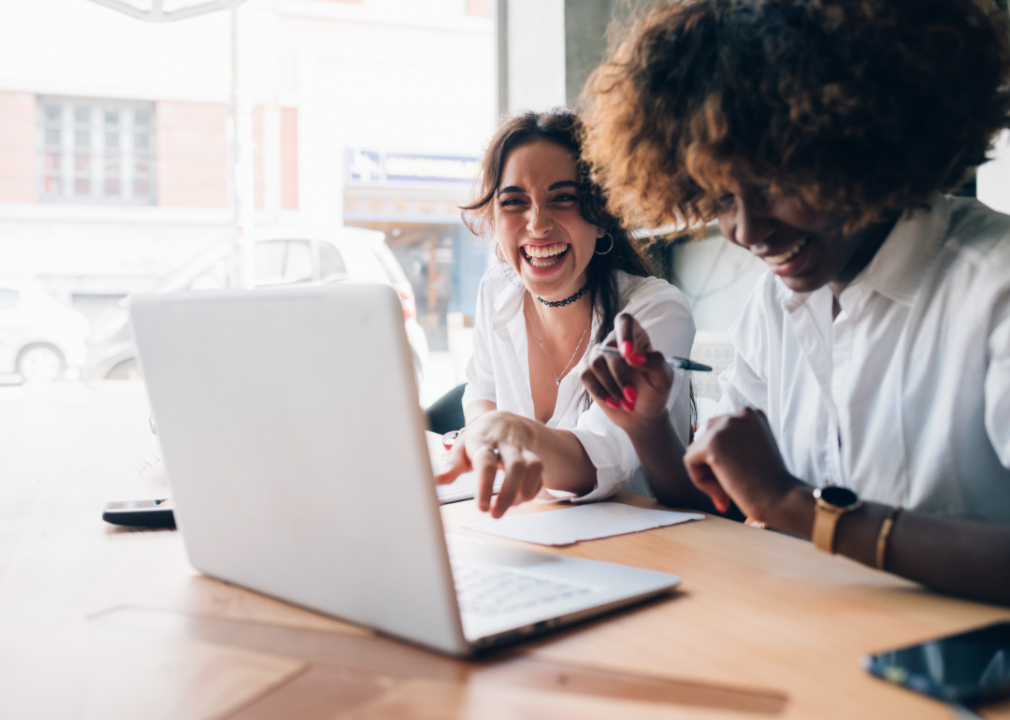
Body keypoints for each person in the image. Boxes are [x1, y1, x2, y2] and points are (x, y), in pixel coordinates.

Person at [579, 0, 1010, 604]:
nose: (748, 231)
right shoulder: (774, 304)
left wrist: (800, 508)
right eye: (722, 197)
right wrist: (649, 427)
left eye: (777, 184)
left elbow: (779, 501)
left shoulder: (995, 285)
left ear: (862, 148)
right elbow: (728, 503)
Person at [435, 109, 696, 517]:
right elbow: (481, 389)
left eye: (562, 198)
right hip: (532, 529)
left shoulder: (655, 311)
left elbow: (603, 459)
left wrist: (515, 434)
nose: (537, 225)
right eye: (514, 202)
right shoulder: (496, 290)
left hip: (644, 545)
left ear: (602, 215)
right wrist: (485, 432)